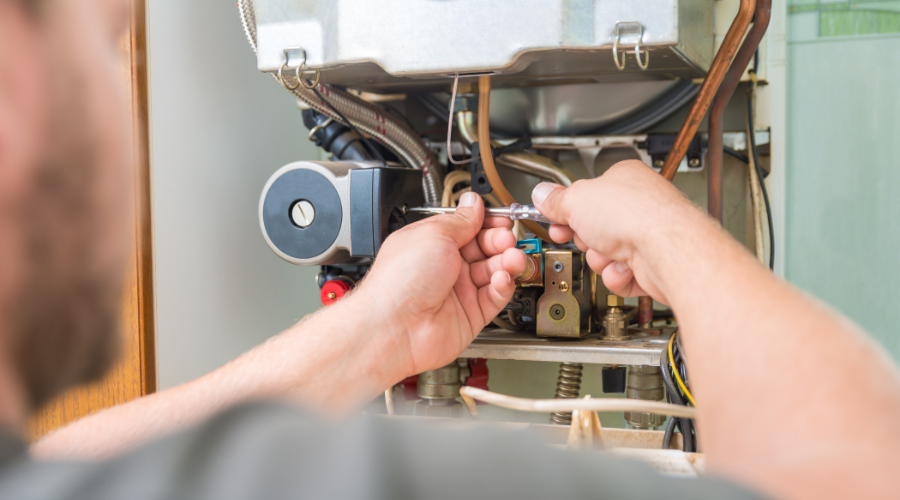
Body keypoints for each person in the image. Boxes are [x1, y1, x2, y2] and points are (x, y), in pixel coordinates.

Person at [1, 0, 898, 499]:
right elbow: (859, 476)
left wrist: (377, 335)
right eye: (105, 44)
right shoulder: (352, 480)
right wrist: (675, 240)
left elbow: (72, 472)